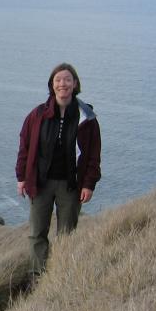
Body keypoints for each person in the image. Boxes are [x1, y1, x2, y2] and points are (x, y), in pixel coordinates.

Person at [16, 62, 101, 277]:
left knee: (66, 234)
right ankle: (38, 279)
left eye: (67, 79)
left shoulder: (87, 118)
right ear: (52, 85)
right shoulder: (37, 115)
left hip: (70, 185)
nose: (62, 83)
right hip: (41, 183)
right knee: (37, 234)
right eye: (58, 80)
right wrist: (22, 177)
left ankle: (61, 277)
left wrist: (89, 184)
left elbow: (93, 154)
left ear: (75, 84)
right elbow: (25, 146)